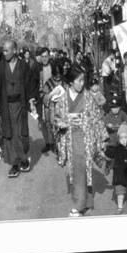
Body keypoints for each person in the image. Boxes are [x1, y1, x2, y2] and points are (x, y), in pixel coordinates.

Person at [52, 64, 108, 217]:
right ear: (70, 82)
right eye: (79, 81)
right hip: (71, 139)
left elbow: (97, 117)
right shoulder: (63, 99)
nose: (82, 83)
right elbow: (56, 118)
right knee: (78, 171)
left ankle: (81, 204)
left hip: (86, 137)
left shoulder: (88, 96)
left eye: (83, 80)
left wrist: (102, 138)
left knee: (83, 170)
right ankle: (83, 204)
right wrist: (60, 123)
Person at [0, 39, 39, 178]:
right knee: (9, 134)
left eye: (7, 50)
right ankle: (15, 164)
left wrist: (31, 102)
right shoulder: (0, 67)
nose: (4, 53)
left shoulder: (23, 65)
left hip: (20, 105)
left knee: (19, 133)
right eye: (3, 50)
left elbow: (29, 85)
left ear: (15, 50)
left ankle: (23, 159)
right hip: (6, 105)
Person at [105, 123, 127, 214]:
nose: (123, 140)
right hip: (119, 173)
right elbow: (110, 153)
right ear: (118, 139)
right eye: (121, 138)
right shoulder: (117, 148)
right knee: (120, 190)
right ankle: (120, 207)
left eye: (125, 137)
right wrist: (105, 149)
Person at [41, 62, 64, 154]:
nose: (58, 77)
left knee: (60, 127)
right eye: (56, 74)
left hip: (61, 108)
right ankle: (50, 144)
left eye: (59, 74)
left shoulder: (64, 82)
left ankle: (59, 146)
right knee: (49, 126)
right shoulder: (48, 83)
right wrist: (51, 94)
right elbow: (43, 97)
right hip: (51, 108)